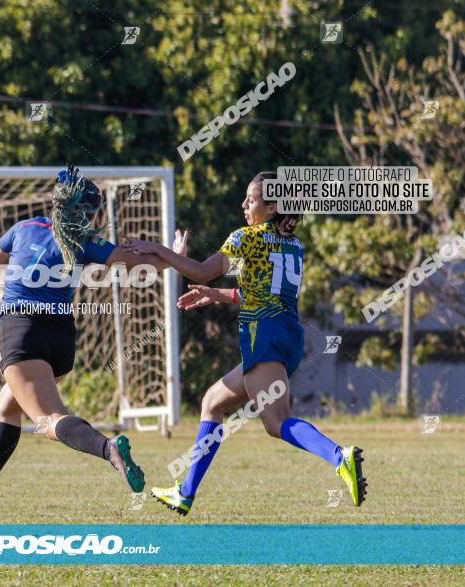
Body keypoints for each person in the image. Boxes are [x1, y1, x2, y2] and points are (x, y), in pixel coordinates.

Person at [122, 171, 367, 517]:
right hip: (287, 336)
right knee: (212, 402)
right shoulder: (293, 245)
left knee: (277, 422)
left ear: (272, 206)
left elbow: (201, 270)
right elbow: (260, 292)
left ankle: (339, 456)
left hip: (263, 334)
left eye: (250, 200)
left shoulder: (246, 238)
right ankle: (185, 494)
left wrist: (160, 249)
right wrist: (216, 296)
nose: (243, 205)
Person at [0, 165, 167, 510]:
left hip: (21, 331)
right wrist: (173, 256)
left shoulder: (25, 228)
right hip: (61, 341)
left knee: (49, 420)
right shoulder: (86, 242)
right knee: (8, 404)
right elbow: (138, 264)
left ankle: (108, 448)